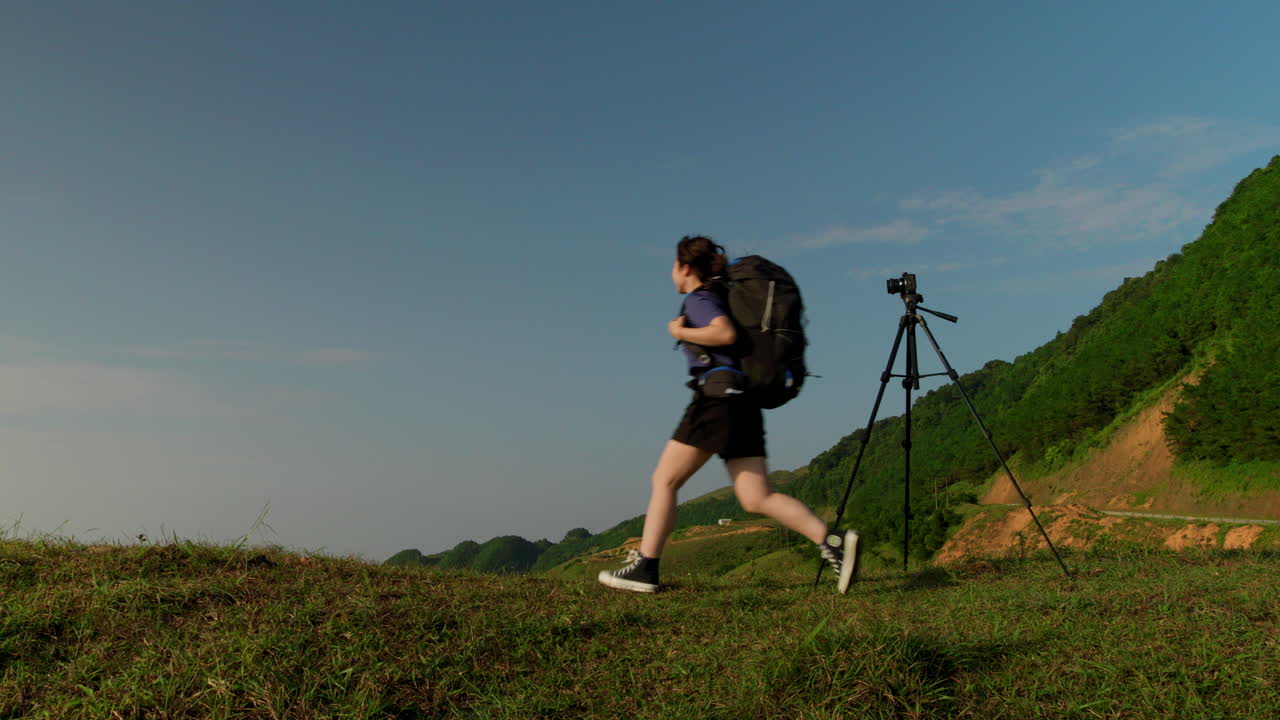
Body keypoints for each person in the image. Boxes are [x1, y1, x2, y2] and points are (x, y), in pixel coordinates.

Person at [598, 235, 860, 594]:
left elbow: (724, 332)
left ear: (685, 267)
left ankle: (646, 568)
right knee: (756, 497)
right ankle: (831, 540)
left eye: (673, 265)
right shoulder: (722, 296)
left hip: (717, 399)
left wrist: (679, 330)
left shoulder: (700, 298)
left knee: (665, 480)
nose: (671, 273)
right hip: (743, 401)